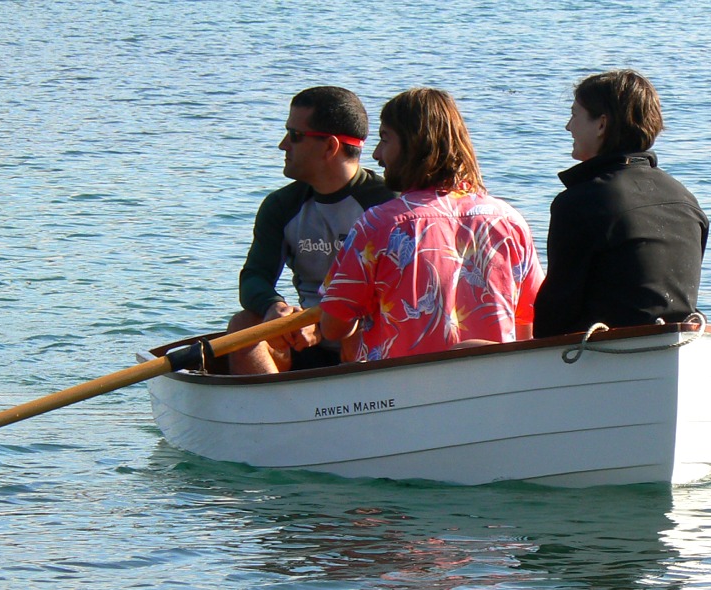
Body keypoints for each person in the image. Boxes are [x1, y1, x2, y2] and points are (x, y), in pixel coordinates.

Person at [318, 87, 544, 361]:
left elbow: (333, 326)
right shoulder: (509, 220)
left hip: (403, 390)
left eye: (384, 140)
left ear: (414, 144)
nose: (377, 154)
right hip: (493, 388)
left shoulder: (380, 225)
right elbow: (528, 320)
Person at [227, 86, 398, 374]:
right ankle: (275, 410)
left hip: (366, 342)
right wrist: (274, 308)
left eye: (295, 136)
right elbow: (254, 276)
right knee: (242, 325)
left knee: (350, 336)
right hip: (305, 341)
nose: (283, 145)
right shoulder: (281, 206)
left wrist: (324, 326)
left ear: (330, 147)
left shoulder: (388, 206)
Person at [532, 70, 709, 338]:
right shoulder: (685, 200)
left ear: (601, 124)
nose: (568, 126)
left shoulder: (580, 202)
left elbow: (553, 317)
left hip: (603, 356)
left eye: (575, 114)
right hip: (678, 343)